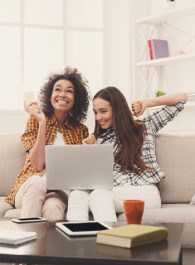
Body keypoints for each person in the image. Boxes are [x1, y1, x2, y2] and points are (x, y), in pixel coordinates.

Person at [66, 86, 188, 222]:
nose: (98, 117)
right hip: (115, 190)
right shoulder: (99, 139)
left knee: (99, 195)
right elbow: (97, 178)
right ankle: (77, 242)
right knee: (77, 195)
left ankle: (110, 240)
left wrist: (146, 103)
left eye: (103, 111)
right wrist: (90, 151)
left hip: (145, 191)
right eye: (95, 112)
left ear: (117, 110)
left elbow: (181, 98)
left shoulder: (145, 127)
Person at [5, 67, 90, 221]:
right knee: (38, 182)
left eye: (69, 91)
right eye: (57, 90)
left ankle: (52, 245)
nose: (62, 94)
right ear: (50, 95)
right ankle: (28, 240)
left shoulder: (81, 130)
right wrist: (42, 122)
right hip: (30, 187)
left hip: (58, 190)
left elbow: (78, 172)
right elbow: (37, 164)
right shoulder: (35, 120)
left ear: (76, 98)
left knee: (53, 208)